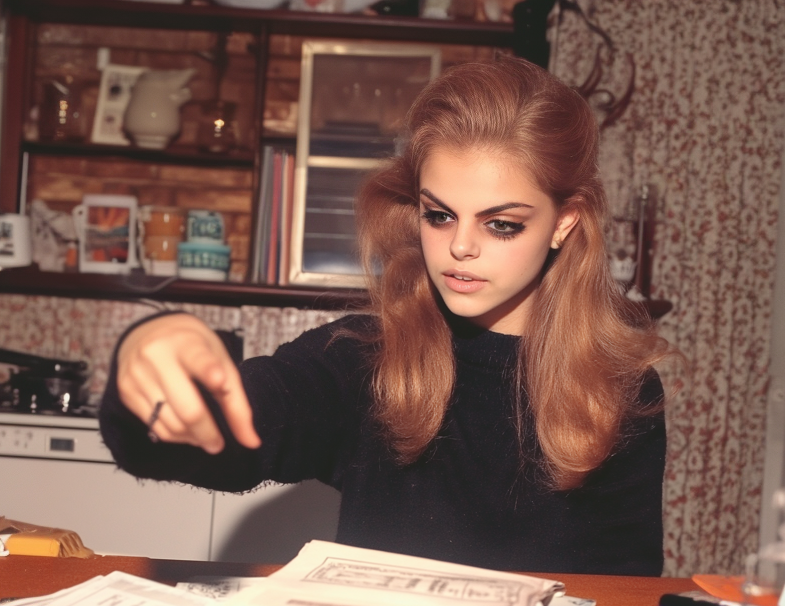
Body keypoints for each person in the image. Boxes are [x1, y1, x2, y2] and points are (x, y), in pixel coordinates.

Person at [99, 57, 676, 575]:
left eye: (502, 224)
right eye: (440, 215)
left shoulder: (620, 391)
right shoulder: (366, 356)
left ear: (564, 222)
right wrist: (145, 344)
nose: (461, 248)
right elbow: (209, 434)